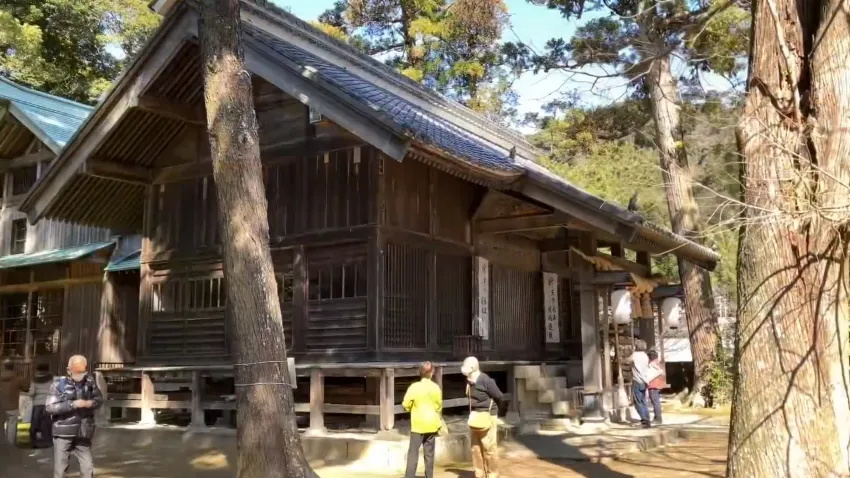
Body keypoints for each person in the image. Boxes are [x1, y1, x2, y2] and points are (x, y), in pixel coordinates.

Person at [47, 355, 102, 478]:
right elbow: (50, 407)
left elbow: (99, 399)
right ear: (68, 370)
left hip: (83, 431)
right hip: (63, 431)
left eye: (82, 371)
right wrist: (72, 404)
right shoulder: (58, 385)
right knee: (60, 469)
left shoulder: (90, 383)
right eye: (76, 372)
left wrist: (91, 403)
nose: (79, 375)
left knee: (88, 466)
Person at [462, 356, 504, 478]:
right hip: (475, 417)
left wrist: (493, 413)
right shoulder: (469, 381)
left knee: (489, 448)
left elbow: (499, 396)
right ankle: (479, 474)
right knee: (475, 449)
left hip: (488, 416)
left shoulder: (486, 381)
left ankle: (492, 474)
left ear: (473, 369)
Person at [401, 361, 443, 478]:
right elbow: (439, 406)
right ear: (432, 372)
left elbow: (405, 404)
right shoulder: (436, 388)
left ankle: (409, 476)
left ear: (420, 372)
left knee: (413, 453)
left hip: (418, 424)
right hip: (432, 424)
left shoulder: (414, 387)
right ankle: (429, 476)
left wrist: (410, 409)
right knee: (429, 453)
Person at [1, 361, 27, 445]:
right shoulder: (17, 378)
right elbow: (26, 388)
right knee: (12, 425)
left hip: (1, 405)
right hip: (13, 405)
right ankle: (10, 444)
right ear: (13, 367)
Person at [30, 363, 55, 448]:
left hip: (37, 404)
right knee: (48, 422)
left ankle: (34, 441)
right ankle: (48, 440)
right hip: (48, 404)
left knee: (35, 422)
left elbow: (32, 392)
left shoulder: (34, 380)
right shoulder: (51, 378)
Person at [628, 342, 652, 428]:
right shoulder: (645, 356)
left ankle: (644, 420)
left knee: (638, 402)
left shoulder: (634, 355)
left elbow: (628, 362)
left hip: (637, 380)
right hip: (644, 381)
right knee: (643, 401)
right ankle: (647, 419)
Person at [647, 350, 665, 425]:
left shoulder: (652, 364)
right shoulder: (659, 363)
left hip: (653, 384)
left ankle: (658, 418)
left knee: (655, 402)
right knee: (656, 401)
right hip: (658, 384)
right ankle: (657, 417)